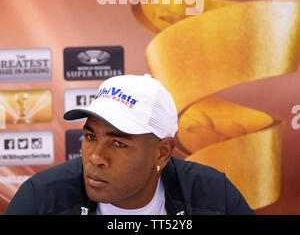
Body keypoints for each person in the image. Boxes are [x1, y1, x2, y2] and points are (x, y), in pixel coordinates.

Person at [4, 74, 255, 215]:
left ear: (162, 152)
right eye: (91, 137)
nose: (95, 157)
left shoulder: (213, 195)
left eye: (118, 143)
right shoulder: (41, 198)